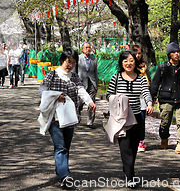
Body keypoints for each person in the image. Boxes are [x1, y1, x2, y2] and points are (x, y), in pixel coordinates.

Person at [39, 48, 96, 188]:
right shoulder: (52, 75)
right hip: (54, 118)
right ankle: (65, 176)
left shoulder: (75, 76)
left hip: (70, 117)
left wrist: (89, 101)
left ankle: (61, 171)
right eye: (67, 61)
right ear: (62, 60)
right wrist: (56, 95)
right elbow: (42, 90)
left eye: (73, 62)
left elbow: (81, 90)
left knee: (65, 147)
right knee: (60, 146)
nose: (69, 65)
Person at [106, 50, 153, 188]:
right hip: (121, 119)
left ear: (135, 62)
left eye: (131, 60)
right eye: (125, 60)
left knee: (133, 148)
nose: (128, 63)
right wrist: (119, 100)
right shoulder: (116, 78)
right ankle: (130, 176)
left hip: (137, 118)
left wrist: (149, 103)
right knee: (125, 148)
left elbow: (145, 92)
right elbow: (109, 94)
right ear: (121, 62)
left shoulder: (141, 78)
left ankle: (128, 170)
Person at [150, 42, 180, 155]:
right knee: (165, 122)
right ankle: (164, 138)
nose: (177, 54)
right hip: (166, 99)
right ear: (169, 54)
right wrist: (152, 98)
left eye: (178, 52)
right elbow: (155, 84)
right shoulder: (162, 67)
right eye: (174, 52)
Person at [131, 44, 150, 152]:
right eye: (135, 53)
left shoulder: (144, 66)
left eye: (139, 53)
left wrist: (151, 99)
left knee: (141, 119)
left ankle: (140, 141)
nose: (137, 55)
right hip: (131, 96)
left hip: (142, 97)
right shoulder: (129, 65)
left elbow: (149, 81)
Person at [77, 42, 99, 129]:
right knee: (80, 103)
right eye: (86, 47)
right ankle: (77, 118)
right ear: (82, 49)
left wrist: (96, 85)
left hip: (91, 83)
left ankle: (90, 122)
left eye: (89, 47)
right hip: (81, 84)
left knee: (92, 103)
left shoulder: (94, 59)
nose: (88, 49)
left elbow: (95, 73)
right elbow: (74, 72)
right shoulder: (78, 59)